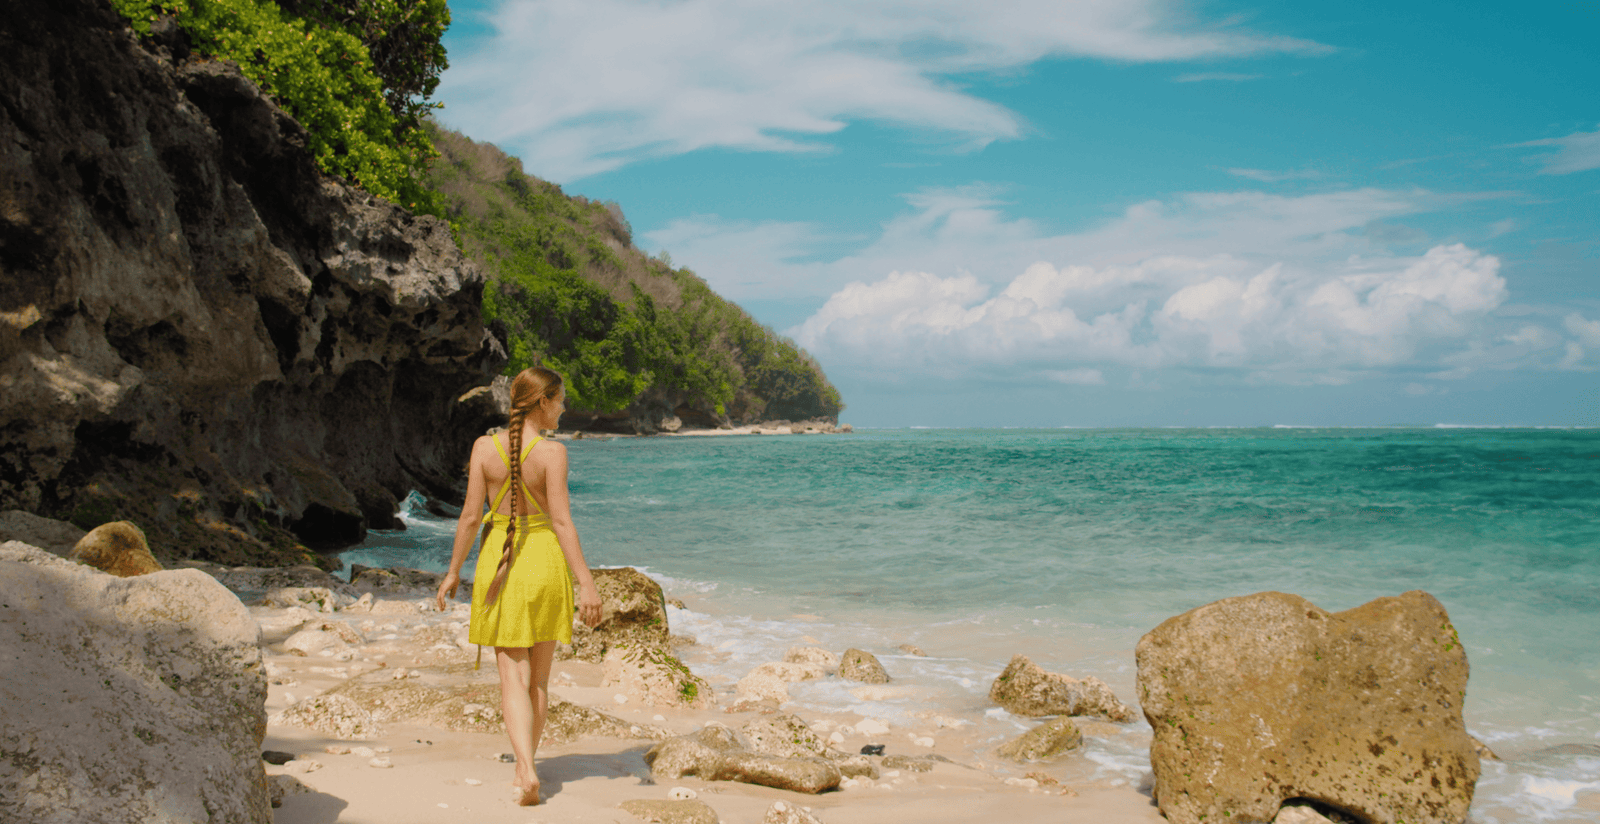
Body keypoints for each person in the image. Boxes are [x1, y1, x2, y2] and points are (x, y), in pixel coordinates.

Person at [436, 367, 603, 806]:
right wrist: (586, 581)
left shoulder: (483, 448)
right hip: (544, 561)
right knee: (540, 680)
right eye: (561, 400)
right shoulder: (552, 454)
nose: (564, 408)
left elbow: (471, 517)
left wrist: (453, 570)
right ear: (542, 402)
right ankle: (526, 766)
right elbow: (563, 521)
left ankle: (525, 769)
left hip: (499, 567)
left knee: (513, 675)